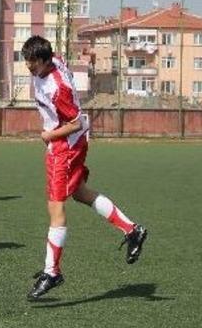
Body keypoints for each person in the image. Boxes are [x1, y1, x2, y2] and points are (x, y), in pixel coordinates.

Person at [21, 35, 148, 300]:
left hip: (65, 146)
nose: (29, 68)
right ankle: (132, 229)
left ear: (46, 61)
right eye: (27, 62)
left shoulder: (58, 88)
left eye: (33, 64)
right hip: (71, 144)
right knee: (79, 191)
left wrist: (49, 136)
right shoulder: (51, 60)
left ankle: (52, 272)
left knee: (56, 207)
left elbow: (76, 122)